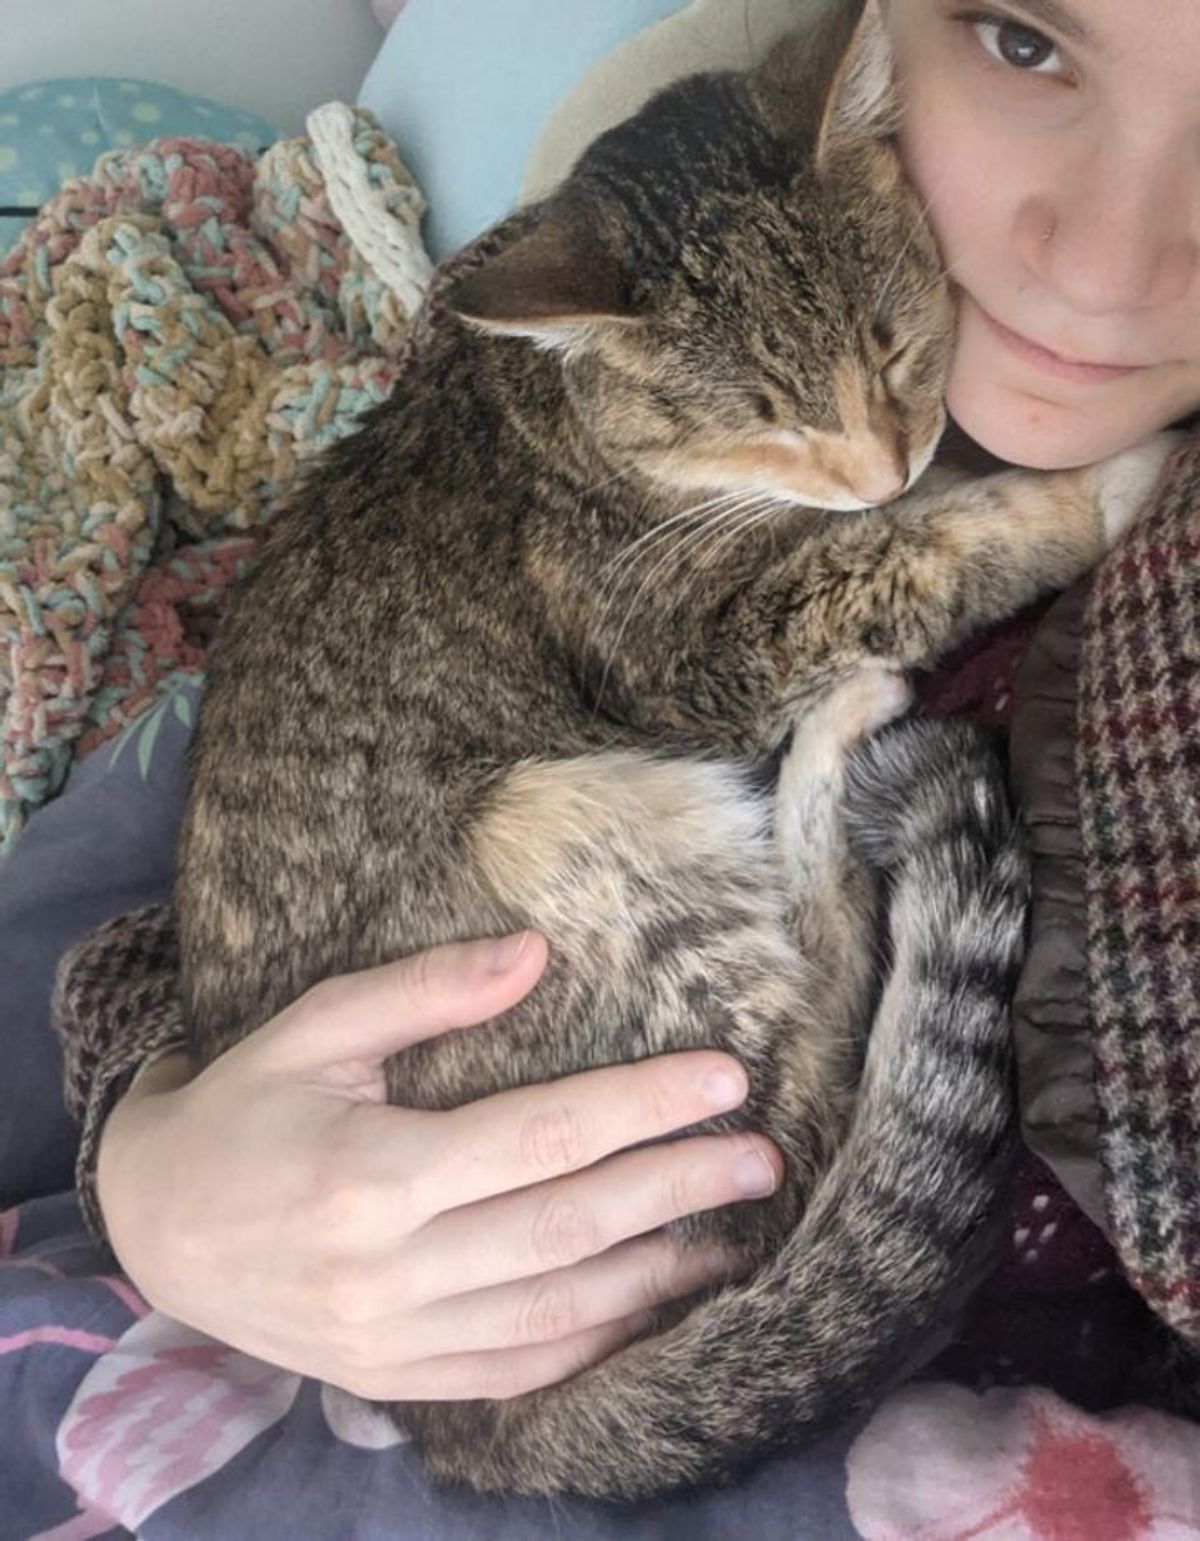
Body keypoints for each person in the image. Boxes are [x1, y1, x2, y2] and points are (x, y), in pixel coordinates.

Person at [85, 0, 1200, 1407]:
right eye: (1023, 38)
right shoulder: (580, 283)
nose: (1104, 267)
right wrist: (152, 1164)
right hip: (430, 1129)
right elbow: (177, 918)